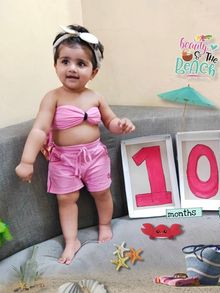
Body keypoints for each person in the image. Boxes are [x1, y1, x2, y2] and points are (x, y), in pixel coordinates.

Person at [15, 24, 135, 265]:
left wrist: (120, 124)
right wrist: (26, 161)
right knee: (66, 198)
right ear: (55, 65)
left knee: (101, 192)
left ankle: (104, 224)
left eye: (81, 64)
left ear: (94, 71)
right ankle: (72, 240)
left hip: (94, 156)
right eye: (65, 61)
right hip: (64, 160)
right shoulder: (53, 97)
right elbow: (39, 129)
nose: (72, 68)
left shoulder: (96, 97)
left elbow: (109, 121)